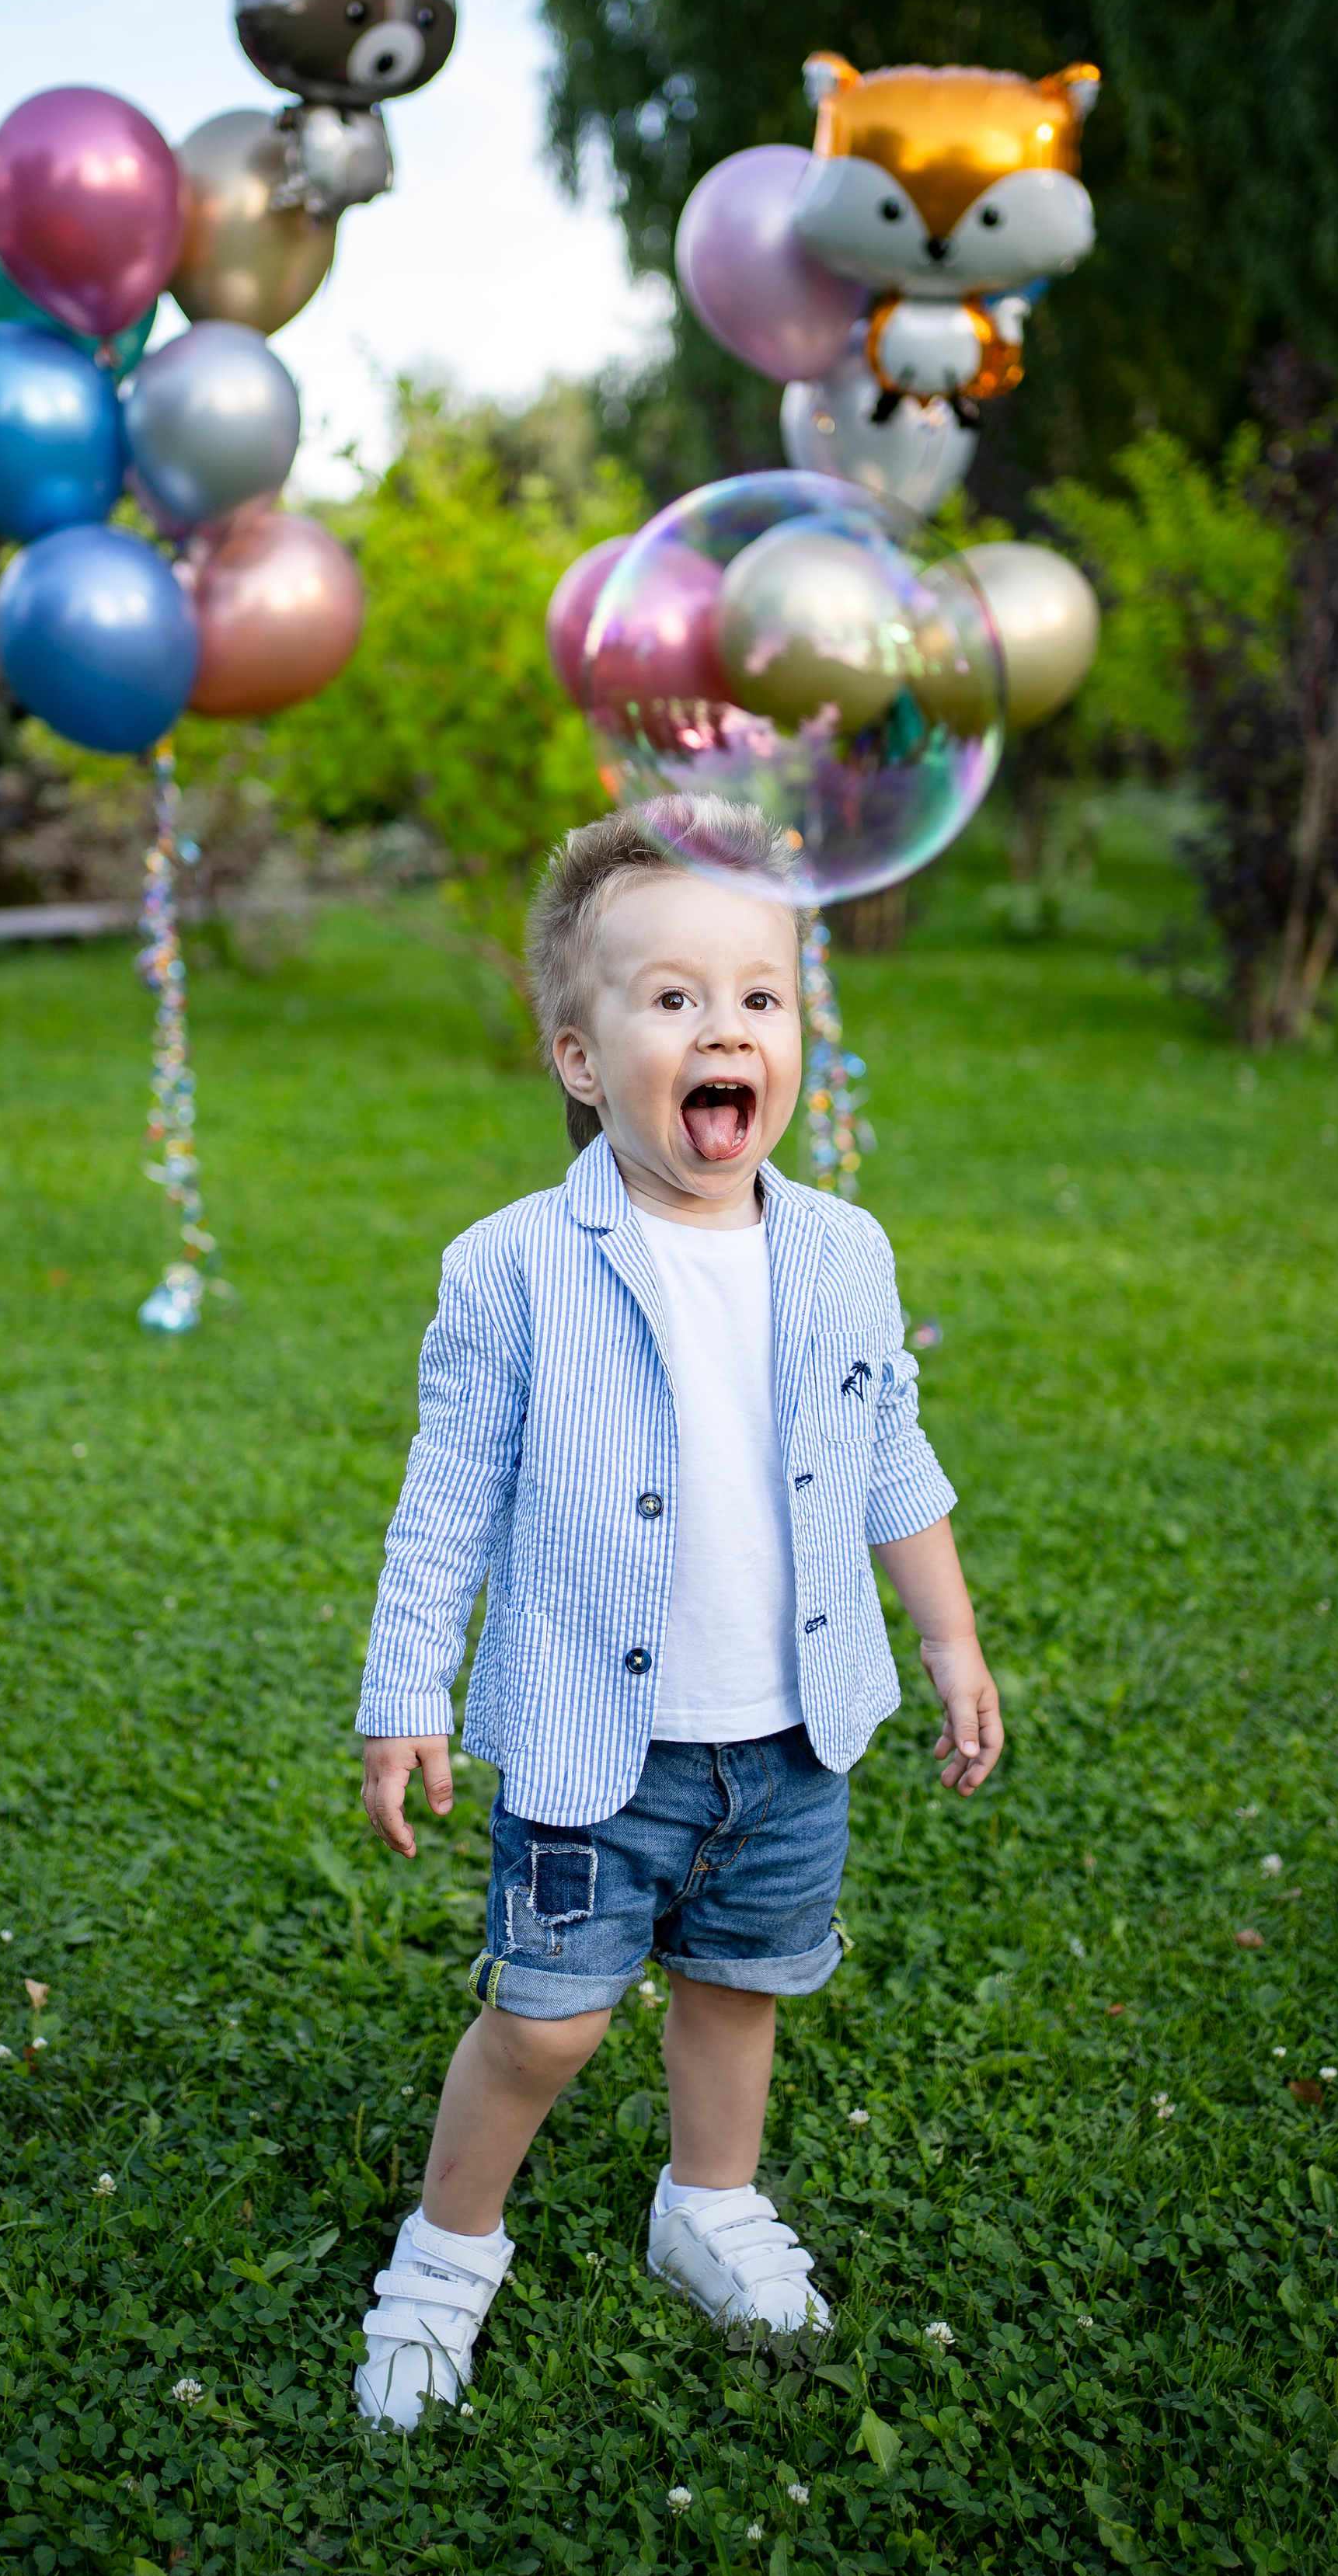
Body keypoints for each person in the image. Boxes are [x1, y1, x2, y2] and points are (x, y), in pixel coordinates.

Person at [351, 796, 1004, 2429]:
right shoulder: (510, 1267)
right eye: (671, 1000)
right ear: (579, 1060)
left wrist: (947, 1639)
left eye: (759, 997)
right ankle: (445, 2255)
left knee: (739, 1992)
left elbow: (887, 1451)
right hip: (598, 1741)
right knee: (544, 2023)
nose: (726, 1029)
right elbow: (445, 1503)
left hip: (787, 1741)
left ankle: (705, 2203)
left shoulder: (840, 1253)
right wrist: (403, 1692)